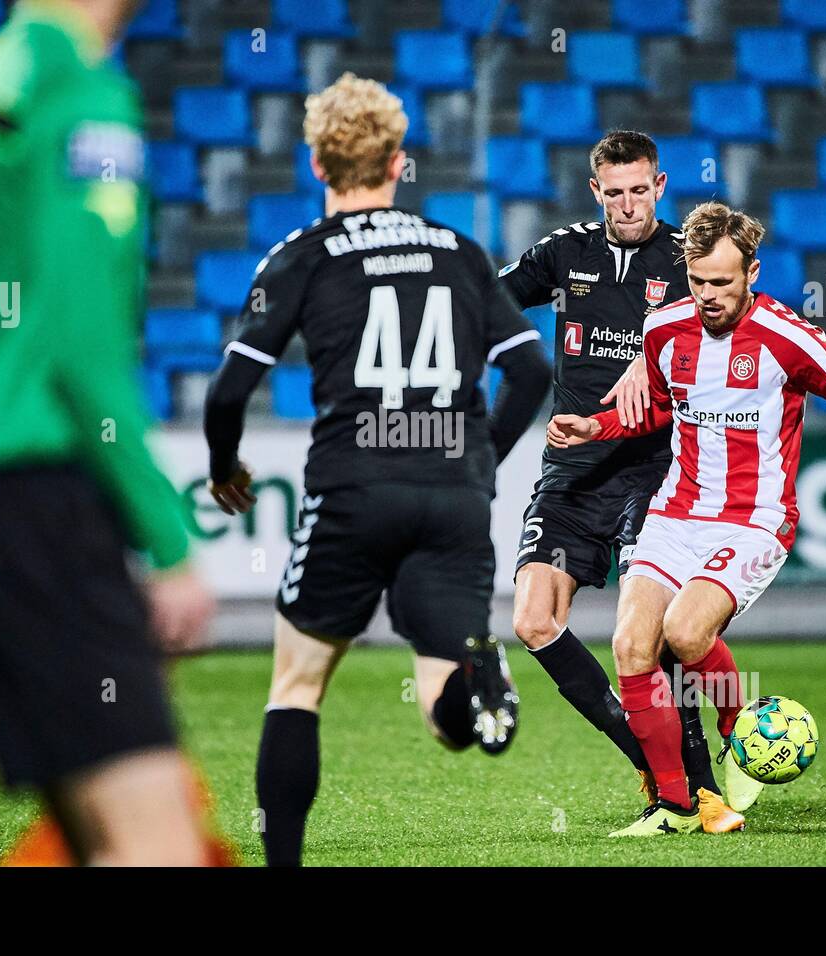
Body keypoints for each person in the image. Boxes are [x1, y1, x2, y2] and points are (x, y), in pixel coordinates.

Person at [203, 73, 552, 866]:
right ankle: (480, 685)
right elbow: (531, 372)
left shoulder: (302, 258)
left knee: (296, 688)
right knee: (443, 717)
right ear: (400, 161)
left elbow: (228, 393)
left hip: (353, 493)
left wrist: (226, 466)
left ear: (318, 166)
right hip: (453, 499)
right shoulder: (459, 253)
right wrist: (479, 461)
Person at [0, 0, 221, 865]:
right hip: (42, 500)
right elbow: (80, 345)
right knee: (161, 849)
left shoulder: (1, 70)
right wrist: (168, 538)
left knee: (92, 844)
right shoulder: (81, 95)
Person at [548, 201, 826, 836]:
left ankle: (740, 734)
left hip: (754, 521)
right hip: (675, 514)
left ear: (752, 271)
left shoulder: (789, 337)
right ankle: (676, 806)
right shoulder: (663, 328)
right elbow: (655, 413)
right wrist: (597, 426)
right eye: (698, 281)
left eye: (722, 283)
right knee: (629, 645)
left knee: (685, 632)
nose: (707, 296)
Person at [499, 130, 756, 829]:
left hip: (655, 471)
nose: (627, 203)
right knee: (532, 620)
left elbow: (733, 336)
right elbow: (491, 305)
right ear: (596, 191)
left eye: (639, 189)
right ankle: (652, 764)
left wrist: (657, 351)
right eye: (614, 192)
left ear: (660, 185)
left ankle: (699, 789)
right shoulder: (564, 252)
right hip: (572, 471)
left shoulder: (687, 263)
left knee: (658, 637)